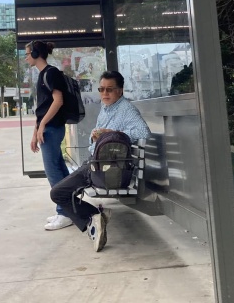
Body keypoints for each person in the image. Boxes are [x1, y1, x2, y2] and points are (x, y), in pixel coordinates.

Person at [50, 70, 150, 252]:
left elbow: (144, 132)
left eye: (109, 89)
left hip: (105, 168)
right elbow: (101, 136)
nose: (104, 93)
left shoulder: (126, 109)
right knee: (60, 192)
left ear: (120, 90)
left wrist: (113, 133)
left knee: (58, 193)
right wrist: (96, 136)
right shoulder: (107, 108)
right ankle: (95, 217)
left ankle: (94, 216)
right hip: (97, 162)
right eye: (101, 89)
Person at [26, 40, 72, 231]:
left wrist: (43, 125)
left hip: (52, 129)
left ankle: (65, 212)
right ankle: (68, 208)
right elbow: (42, 108)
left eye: (27, 54)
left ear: (36, 54)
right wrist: (35, 132)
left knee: (53, 171)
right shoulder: (43, 75)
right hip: (47, 129)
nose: (26, 58)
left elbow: (58, 101)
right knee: (59, 168)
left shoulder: (51, 73)